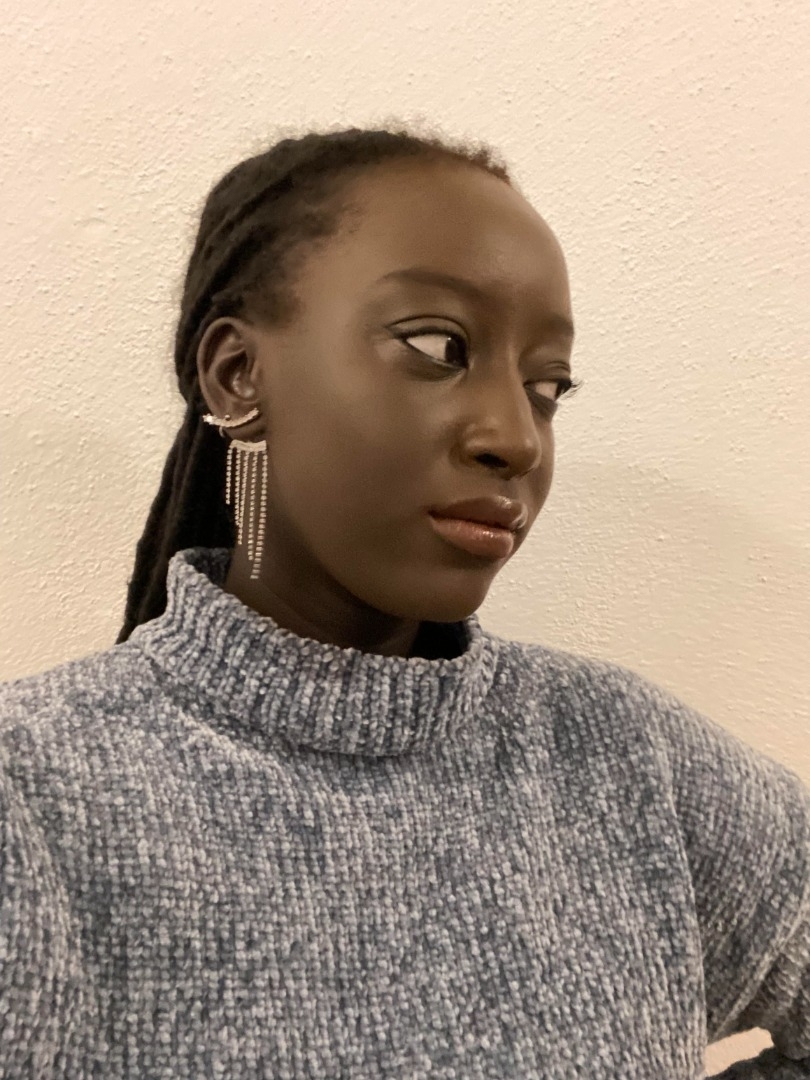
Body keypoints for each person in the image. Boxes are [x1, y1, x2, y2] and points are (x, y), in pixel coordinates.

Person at [0, 126, 807, 1079]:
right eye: (437, 347)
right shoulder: (32, 795)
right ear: (237, 373)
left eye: (547, 387)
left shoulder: (633, 762)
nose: (517, 437)